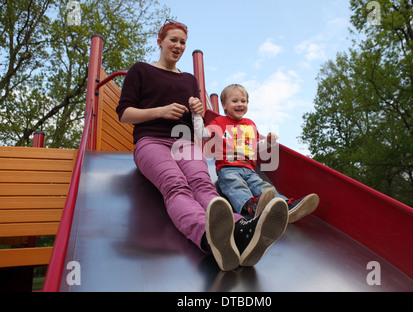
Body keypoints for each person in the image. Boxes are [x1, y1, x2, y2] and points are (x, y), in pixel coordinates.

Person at [116, 20, 288, 271]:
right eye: (173, 40)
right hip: (151, 141)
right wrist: (160, 111)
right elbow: (124, 114)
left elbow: (195, 122)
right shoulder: (141, 70)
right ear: (160, 41)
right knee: (176, 185)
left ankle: (241, 229)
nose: (178, 46)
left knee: (203, 185)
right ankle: (209, 238)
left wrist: (197, 110)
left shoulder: (188, 79)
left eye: (182, 42)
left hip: (185, 142)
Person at [193, 84, 319, 222]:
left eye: (243, 101)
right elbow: (201, 134)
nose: (240, 104)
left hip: (250, 169)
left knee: (264, 187)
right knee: (235, 186)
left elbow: (255, 146)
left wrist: (269, 142)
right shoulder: (220, 122)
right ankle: (250, 205)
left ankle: (284, 205)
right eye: (234, 101)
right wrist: (196, 114)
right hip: (228, 169)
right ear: (224, 105)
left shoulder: (250, 124)